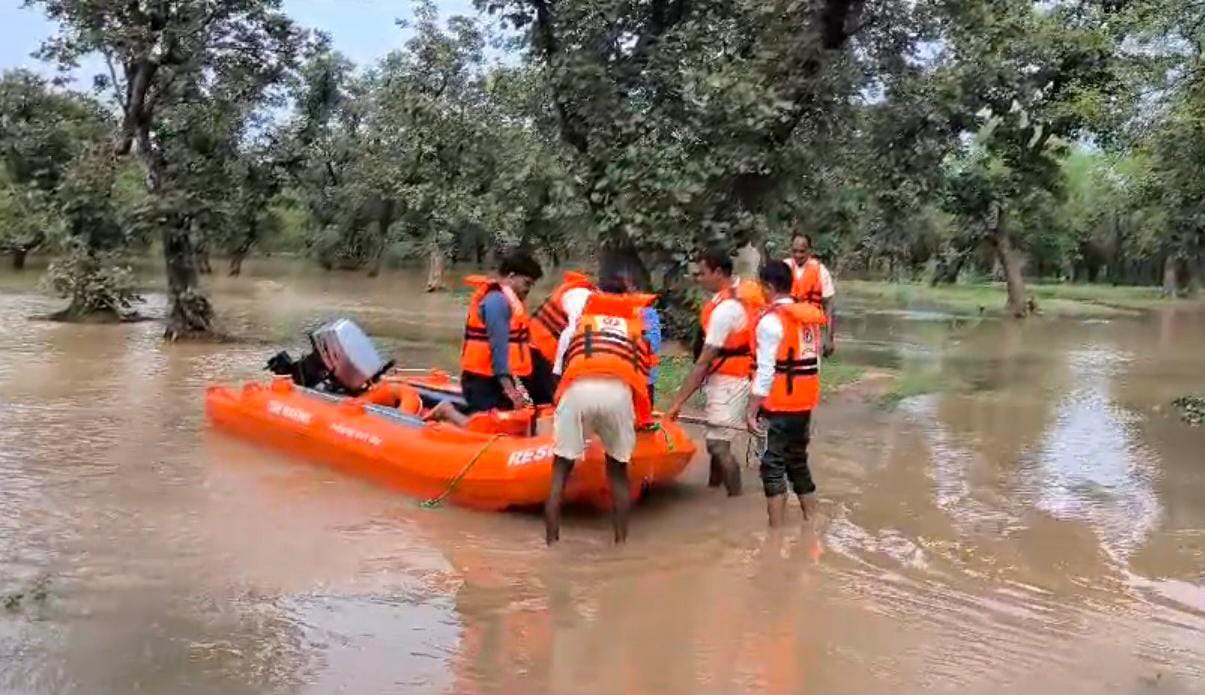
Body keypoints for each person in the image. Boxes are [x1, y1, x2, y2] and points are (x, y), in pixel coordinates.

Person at [545, 275, 656, 545]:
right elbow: (644, 378)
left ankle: (551, 543)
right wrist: (643, 418)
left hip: (579, 390)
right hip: (617, 395)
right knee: (618, 474)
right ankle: (621, 544)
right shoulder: (636, 328)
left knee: (560, 471)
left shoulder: (577, 326)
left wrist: (558, 409)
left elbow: (558, 375)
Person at [665, 247, 764, 496]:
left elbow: (702, 364)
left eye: (701, 273)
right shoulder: (745, 292)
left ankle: (734, 499)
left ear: (718, 272)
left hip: (731, 380)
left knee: (717, 445)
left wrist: (677, 403)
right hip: (743, 374)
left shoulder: (725, 311)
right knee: (719, 436)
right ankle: (713, 490)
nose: (697, 279)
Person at [746, 260, 828, 526]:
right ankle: (813, 522)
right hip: (803, 405)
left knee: (772, 466)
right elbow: (815, 362)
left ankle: (776, 534)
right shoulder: (806, 320)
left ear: (769, 286)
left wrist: (752, 409)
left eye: (761, 286)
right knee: (797, 462)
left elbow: (767, 371)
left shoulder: (770, 321)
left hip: (778, 406)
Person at [459, 252, 544, 414]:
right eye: (527, 283)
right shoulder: (496, 302)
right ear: (511, 276)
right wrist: (510, 389)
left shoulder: (510, 302)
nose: (528, 290)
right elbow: (498, 348)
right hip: (482, 380)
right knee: (490, 428)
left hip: (497, 379)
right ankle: (447, 411)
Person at [528, 270, 595, 405]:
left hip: (541, 346)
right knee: (554, 402)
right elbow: (569, 333)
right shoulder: (582, 298)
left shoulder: (588, 297)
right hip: (540, 349)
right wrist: (558, 372)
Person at [784, 231, 836, 357]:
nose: (798, 255)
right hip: (785, 329)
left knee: (808, 370)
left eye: (802, 251)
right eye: (795, 251)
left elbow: (828, 306)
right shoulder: (783, 267)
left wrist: (829, 338)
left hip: (810, 332)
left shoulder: (820, 271)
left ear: (809, 251)